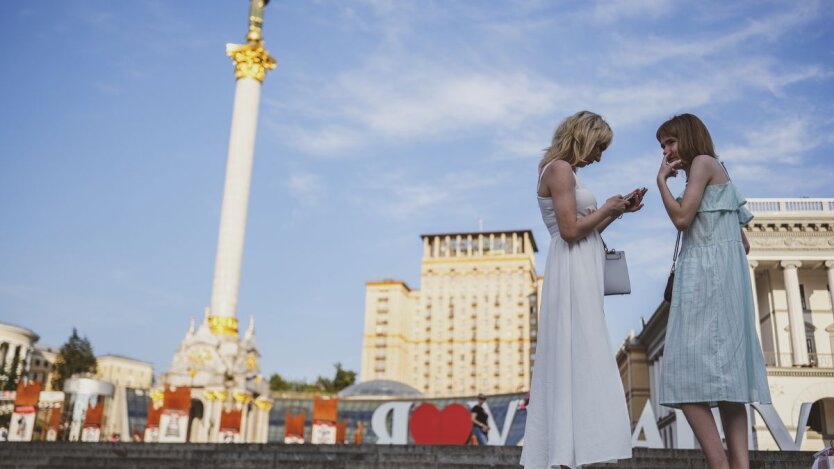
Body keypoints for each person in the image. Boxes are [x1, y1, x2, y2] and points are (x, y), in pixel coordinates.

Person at [521, 111, 643, 469]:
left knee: (581, 354)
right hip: (571, 269)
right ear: (583, 137)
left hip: (580, 270)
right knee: (577, 352)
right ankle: (565, 455)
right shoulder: (558, 169)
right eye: (599, 147)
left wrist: (618, 212)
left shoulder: (565, 171)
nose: (599, 157)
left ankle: (573, 453)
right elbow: (571, 230)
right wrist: (606, 205)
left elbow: (583, 228)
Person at [656, 113, 771, 469]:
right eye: (662, 147)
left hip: (705, 279)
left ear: (689, 138)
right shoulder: (712, 169)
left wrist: (661, 182)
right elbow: (744, 242)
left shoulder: (703, 163)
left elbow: (680, 219)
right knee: (729, 379)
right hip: (723, 279)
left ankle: (719, 465)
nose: (666, 151)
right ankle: (738, 465)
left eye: (670, 142)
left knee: (681, 374)